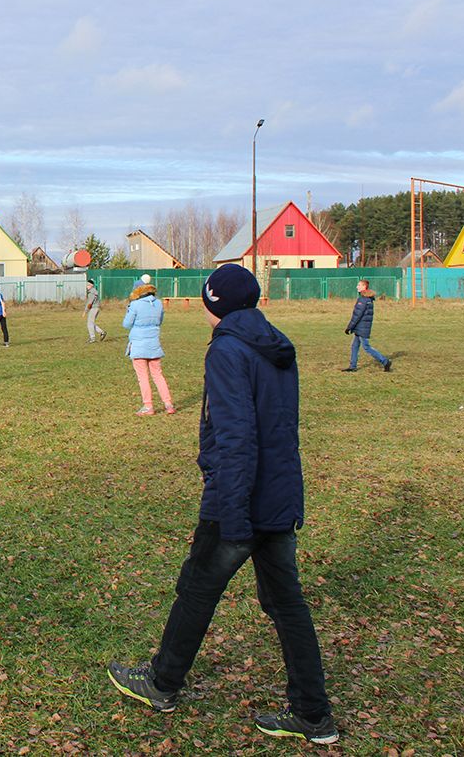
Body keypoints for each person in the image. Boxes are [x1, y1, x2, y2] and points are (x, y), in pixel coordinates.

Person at [108, 264, 337, 745]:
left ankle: (161, 683)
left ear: (215, 305)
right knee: (286, 603)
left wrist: (230, 515)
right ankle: (313, 714)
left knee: (197, 588)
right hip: (278, 495)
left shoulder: (228, 350)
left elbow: (236, 437)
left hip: (240, 498)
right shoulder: (274, 344)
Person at [123, 276, 174, 415]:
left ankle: (148, 406)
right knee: (158, 375)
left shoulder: (135, 305)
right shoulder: (158, 303)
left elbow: (126, 324)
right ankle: (168, 404)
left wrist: (129, 310)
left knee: (143, 377)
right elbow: (160, 321)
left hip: (139, 345)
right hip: (154, 344)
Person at [342, 279, 391, 373]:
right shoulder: (368, 299)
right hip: (362, 327)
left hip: (361, 328)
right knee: (354, 346)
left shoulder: (363, 300)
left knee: (366, 347)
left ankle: (385, 361)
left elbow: (357, 315)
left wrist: (349, 327)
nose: (357, 287)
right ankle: (352, 366)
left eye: (359, 285)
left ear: (364, 287)